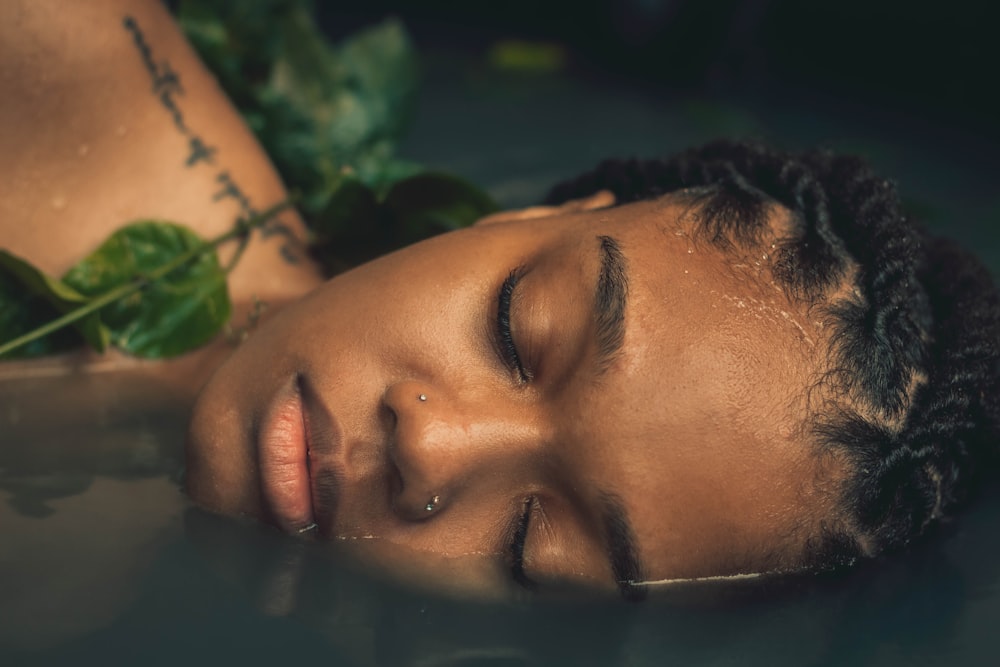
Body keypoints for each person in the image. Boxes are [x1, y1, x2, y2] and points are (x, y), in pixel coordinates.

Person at [3, 0, 999, 600]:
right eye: (515, 331)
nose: (431, 446)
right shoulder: (50, 62)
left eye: (531, 545)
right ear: (515, 216)